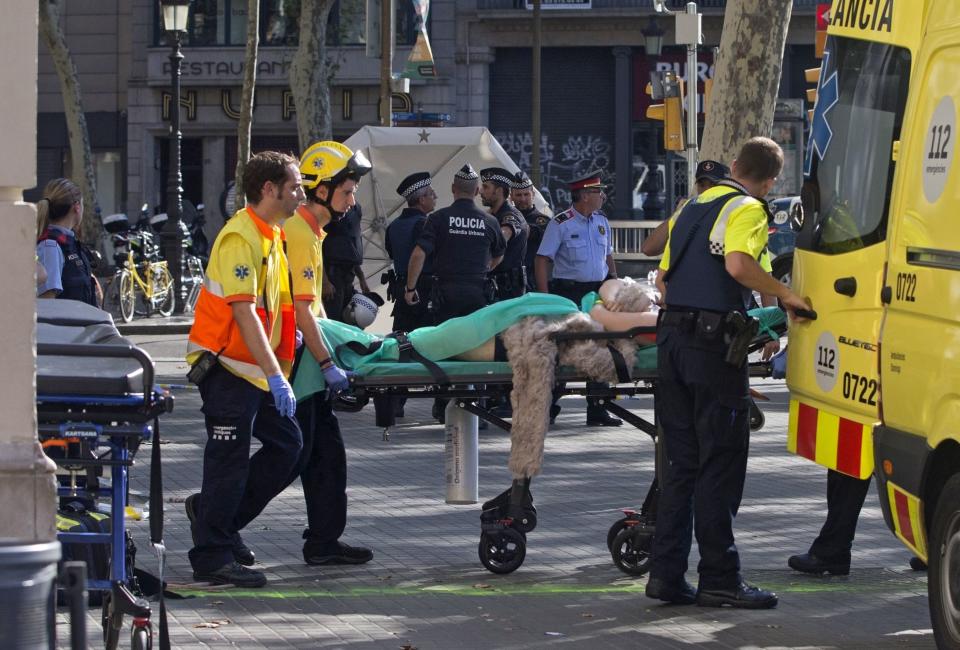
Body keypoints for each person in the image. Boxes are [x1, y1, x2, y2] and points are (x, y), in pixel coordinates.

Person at [646, 137, 811, 609]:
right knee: (720, 461)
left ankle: (666, 575)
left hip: (671, 343)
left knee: (681, 465)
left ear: (735, 164)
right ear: (770, 180)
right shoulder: (749, 210)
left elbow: (661, 275)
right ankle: (720, 577)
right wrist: (788, 295)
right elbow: (739, 265)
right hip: (711, 351)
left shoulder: (695, 205)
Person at [184, 151, 305, 588]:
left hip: (252, 370)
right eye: (294, 186)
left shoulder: (271, 234)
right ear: (269, 189)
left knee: (288, 447)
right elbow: (244, 314)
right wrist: (275, 374)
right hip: (227, 370)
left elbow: (276, 309)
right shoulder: (241, 237)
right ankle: (212, 555)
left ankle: (217, 517)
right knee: (227, 464)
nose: (300, 194)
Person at [281, 140, 374, 566]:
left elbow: (314, 310)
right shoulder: (299, 232)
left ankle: (323, 542)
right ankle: (212, 516)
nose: (353, 200)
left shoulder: (314, 232)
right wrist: (326, 362)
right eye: (347, 191)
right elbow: (302, 312)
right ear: (322, 190)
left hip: (309, 364)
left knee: (326, 458)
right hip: (298, 365)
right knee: (288, 459)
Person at [404, 164, 506, 422]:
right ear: (474, 192)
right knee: (478, 347)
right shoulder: (490, 221)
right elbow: (500, 253)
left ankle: (443, 405)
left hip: (445, 294)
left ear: (453, 189)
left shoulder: (437, 219)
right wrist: (486, 267)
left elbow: (419, 253)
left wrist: (410, 288)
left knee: (446, 347)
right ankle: (478, 407)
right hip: (477, 293)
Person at [534, 170, 622, 427]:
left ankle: (597, 408)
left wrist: (614, 282)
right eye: (598, 191)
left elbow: (608, 256)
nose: (603, 196)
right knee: (563, 349)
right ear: (584, 195)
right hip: (569, 293)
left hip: (596, 293)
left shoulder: (601, 221)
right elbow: (542, 259)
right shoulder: (561, 223)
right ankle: (547, 406)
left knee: (601, 347)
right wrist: (544, 297)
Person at [642, 160, 730, 258]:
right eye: (702, 185)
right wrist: (677, 215)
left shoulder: (730, 214)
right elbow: (648, 249)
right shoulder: (688, 213)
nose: (706, 190)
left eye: (713, 185)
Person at [36, 177, 100, 306]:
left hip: (82, 324)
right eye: (83, 204)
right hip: (67, 326)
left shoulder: (70, 242)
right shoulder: (50, 246)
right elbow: (47, 304)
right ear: (77, 207)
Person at [386, 171, 436, 333]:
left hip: (401, 293)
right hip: (422, 293)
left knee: (402, 342)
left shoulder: (392, 226)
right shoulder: (425, 224)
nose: (435, 195)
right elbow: (423, 255)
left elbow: (393, 254)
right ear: (421, 200)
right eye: (430, 193)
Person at [480, 167, 529, 301]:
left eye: (486, 187)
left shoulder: (510, 214)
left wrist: (483, 266)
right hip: (493, 285)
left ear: (499, 191)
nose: (481, 191)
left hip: (508, 289)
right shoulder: (490, 215)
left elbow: (503, 236)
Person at [322, 202, 370, 322]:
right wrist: (325, 281)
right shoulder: (329, 209)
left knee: (348, 319)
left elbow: (352, 248)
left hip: (348, 275)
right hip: (332, 275)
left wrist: (362, 278)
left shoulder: (355, 209)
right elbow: (317, 248)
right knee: (334, 319)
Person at [511, 171, 550, 292]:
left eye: (526, 194)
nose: (523, 199)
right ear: (511, 196)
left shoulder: (544, 221)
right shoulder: (503, 217)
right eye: (518, 195)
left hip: (534, 280)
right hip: (510, 280)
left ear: (533, 194)